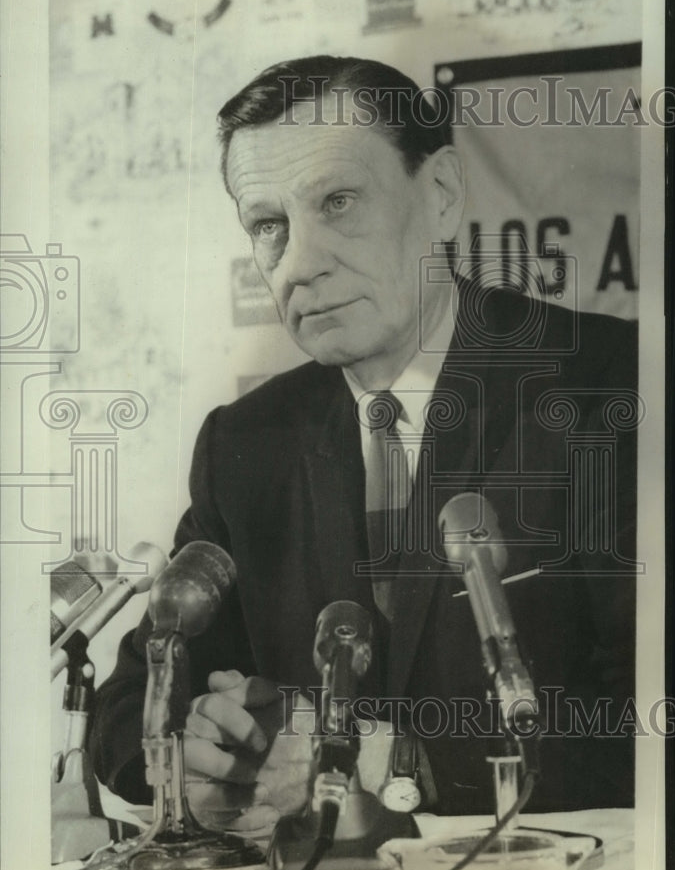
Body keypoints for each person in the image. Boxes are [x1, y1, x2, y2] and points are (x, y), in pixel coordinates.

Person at [90, 55, 638, 831]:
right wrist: (192, 757)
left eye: (339, 201)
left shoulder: (615, 388)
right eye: (269, 225)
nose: (301, 263)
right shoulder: (245, 445)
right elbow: (126, 707)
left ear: (442, 196)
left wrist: (403, 763)